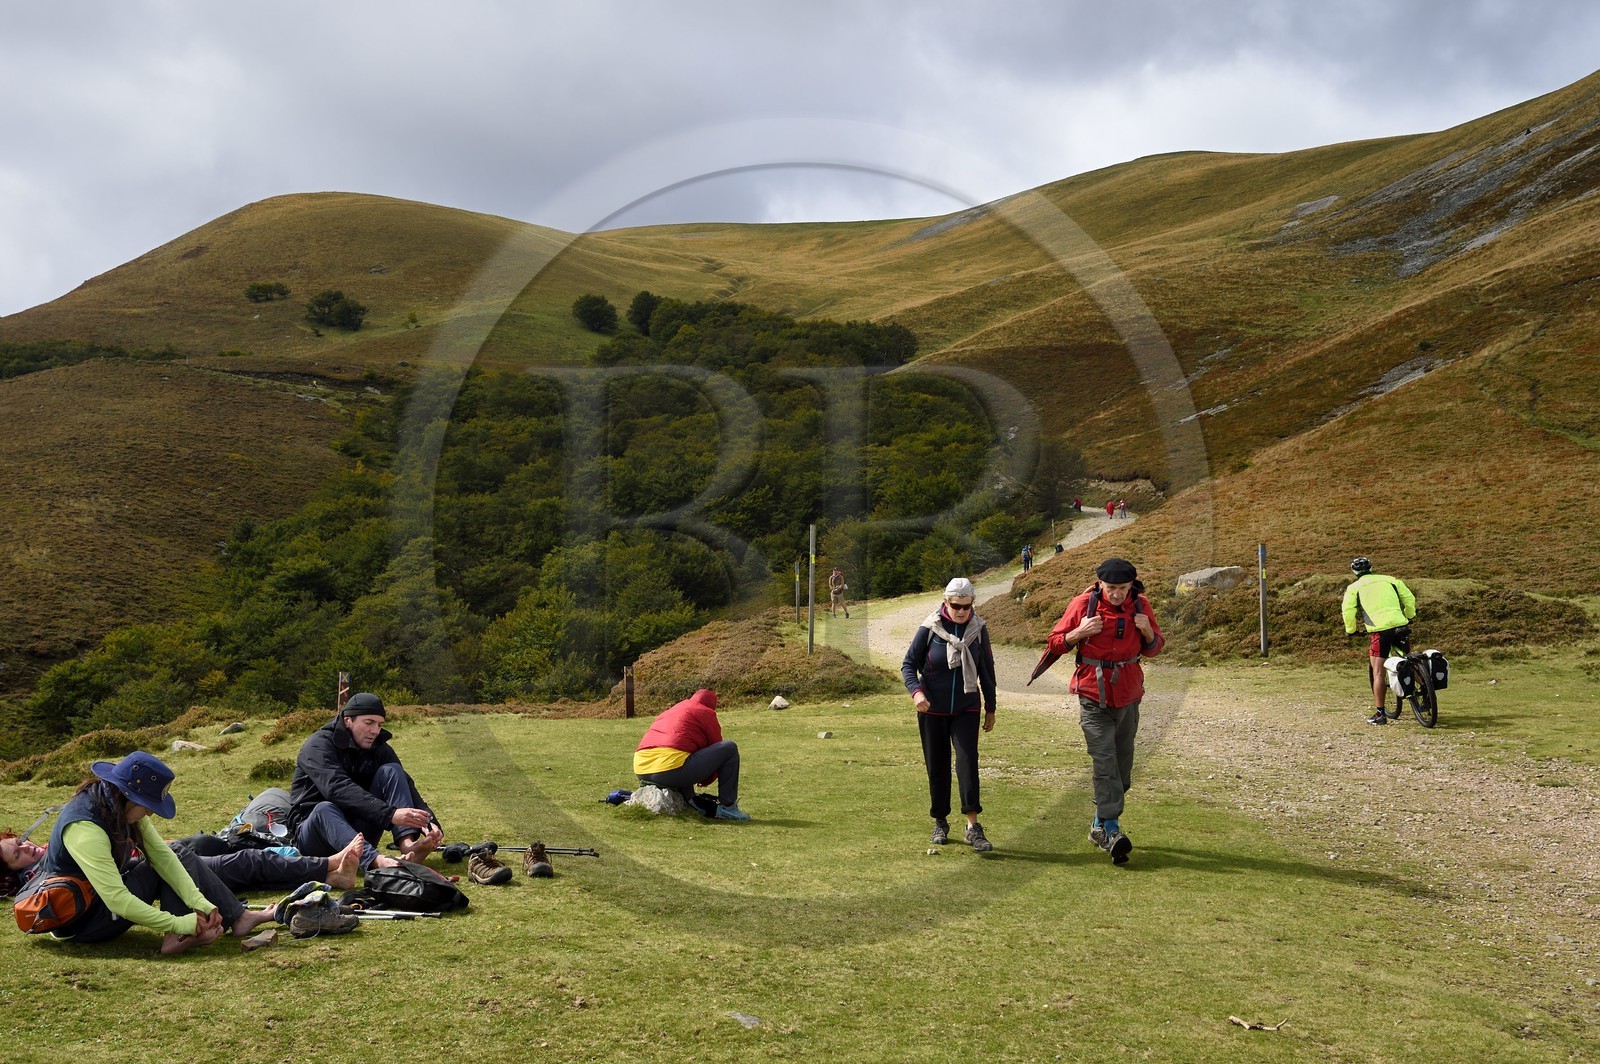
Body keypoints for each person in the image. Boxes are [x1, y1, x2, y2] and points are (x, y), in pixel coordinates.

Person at [10, 752, 279, 954]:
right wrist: (179, 923)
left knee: (176, 852)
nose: (150, 812)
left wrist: (202, 904)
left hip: (98, 905)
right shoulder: (85, 827)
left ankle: (237, 918)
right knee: (174, 858)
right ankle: (180, 937)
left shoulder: (118, 806)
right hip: (82, 921)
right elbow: (118, 901)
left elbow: (162, 856)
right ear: (129, 795)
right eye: (148, 805)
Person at [1045, 558, 1164, 865]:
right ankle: (1111, 830)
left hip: (1128, 695)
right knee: (1105, 762)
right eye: (1110, 588)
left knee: (1123, 771)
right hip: (1091, 694)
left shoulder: (1141, 606)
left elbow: (1154, 648)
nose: (1116, 595)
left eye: (1122, 589)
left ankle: (1099, 824)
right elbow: (1055, 642)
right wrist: (1077, 633)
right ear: (1100, 584)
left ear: (1131, 586)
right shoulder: (1083, 603)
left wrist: (1148, 633)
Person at [288, 692, 443, 871]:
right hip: (314, 836)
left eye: (379, 724)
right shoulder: (318, 745)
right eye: (369, 723)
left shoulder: (379, 748)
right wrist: (389, 815)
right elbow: (336, 788)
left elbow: (405, 784)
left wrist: (429, 821)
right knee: (324, 808)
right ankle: (376, 861)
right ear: (348, 720)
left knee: (392, 771)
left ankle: (408, 845)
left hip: (358, 835)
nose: (375, 731)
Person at [901, 577, 998, 852]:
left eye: (967, 607)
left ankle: (972, 826)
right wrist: (917, 692)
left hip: (967, 706)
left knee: (968, 761)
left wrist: (991, 707)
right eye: (956, 606)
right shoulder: (930, 627)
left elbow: (987, 671)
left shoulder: (979, 629)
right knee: (937, 764)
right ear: (946, 602)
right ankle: (940, 821)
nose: (962, 612)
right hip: (932, 707)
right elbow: (909, 665)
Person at [633, 688, 749, 820]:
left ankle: (691, 800)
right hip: (671, 771)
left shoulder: (673, 709)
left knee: (681, 755)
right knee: (730, 748)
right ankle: (729, 807)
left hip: (641, 768)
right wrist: (705, 779)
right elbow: (717, 747)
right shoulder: (706, 712)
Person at [1342, 557, 1418, 726]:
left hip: (1379, 631)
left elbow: (1347, 611)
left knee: (1378, 673)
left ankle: (1380, 714)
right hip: (1400, 624)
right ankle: (1426, 693)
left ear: (1354, 572)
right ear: (1372, 568)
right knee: (1408, 660)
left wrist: (1351, 630)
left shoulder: (1354, 588)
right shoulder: (1390, 580)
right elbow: (1409, 598)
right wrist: (1410, 615)